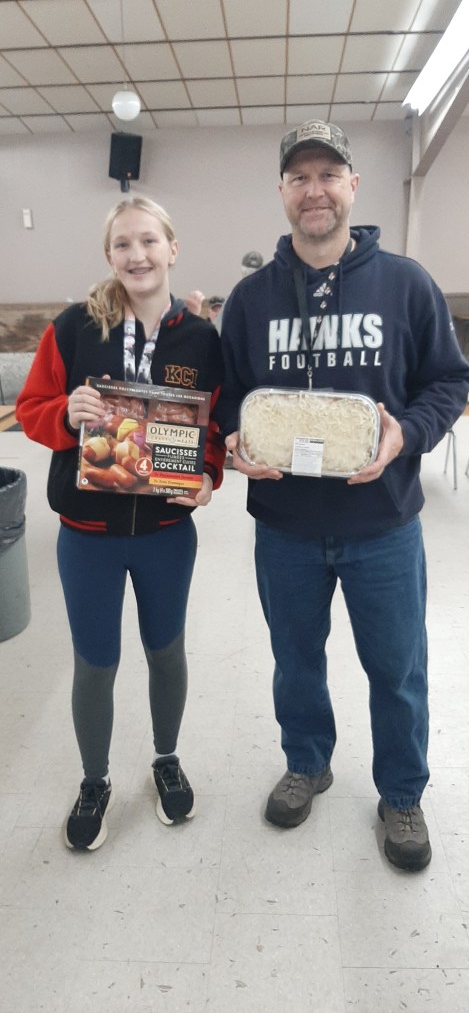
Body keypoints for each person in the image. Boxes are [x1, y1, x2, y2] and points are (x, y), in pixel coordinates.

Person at [215, 119, 469, 872]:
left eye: (329, 174)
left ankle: (401, 794)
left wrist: (406, 437)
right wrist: (232, 439)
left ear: (353, 186)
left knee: (396, 668)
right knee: (295, 660)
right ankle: (307, 761)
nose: (315, 190)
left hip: (381, 523)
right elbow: (229, 396)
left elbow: (448, 381)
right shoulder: (251, 299)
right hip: (285, 525)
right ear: (282, 192)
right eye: (299, 177)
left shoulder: (406, 283)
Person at [16, 195, 225, 851]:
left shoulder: (200, 338)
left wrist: (206, 476)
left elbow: (213, 426)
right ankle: (95, 779)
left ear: (172, 248)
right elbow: (31, 407)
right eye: (123, 244)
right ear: (109, 255)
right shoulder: (74, 327)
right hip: (88, 536)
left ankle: (166, 759)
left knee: (166, 651)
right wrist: (65, 413)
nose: (137, 255)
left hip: (165, 534)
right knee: (95, 662)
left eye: (148, 241)